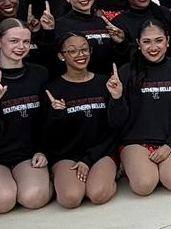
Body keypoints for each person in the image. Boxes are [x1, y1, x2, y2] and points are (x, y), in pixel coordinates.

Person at [0, 19, 53, 213]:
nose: (21, 47)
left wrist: (43, 150)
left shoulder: (40, 74)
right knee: (2, 202)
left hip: (26, 155)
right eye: (14, 41)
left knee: (33, 198)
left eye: (26, 41)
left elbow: (47, 119)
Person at [44, 33, 126, 208]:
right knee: (70, 199)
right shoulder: (52, 89)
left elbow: (116, 127)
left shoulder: (106, 83)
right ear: (61, 55)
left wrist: (117, 98)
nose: (80, 55)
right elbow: (50, 138)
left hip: (101, 152)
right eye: (72, 51)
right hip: (67, 155)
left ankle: (112, 173)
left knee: (97, 195)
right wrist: (56, 114)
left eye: (84, 49)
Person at [117, 20, 171, 194]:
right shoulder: (126, 72)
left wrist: (170, 144)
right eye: (146, 41)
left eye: (158, 40)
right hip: (137, 142)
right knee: (144, 185)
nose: (153, 47)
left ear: (168, 41)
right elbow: (116, 120)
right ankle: (131, 166)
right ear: (138, 43)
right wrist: (116, 98)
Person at [52, 0, 128, 75]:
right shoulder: (62, 25)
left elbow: (118, 58)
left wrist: (121, 43)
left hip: (106, 83)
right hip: (77, 83)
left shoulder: (104, 22)